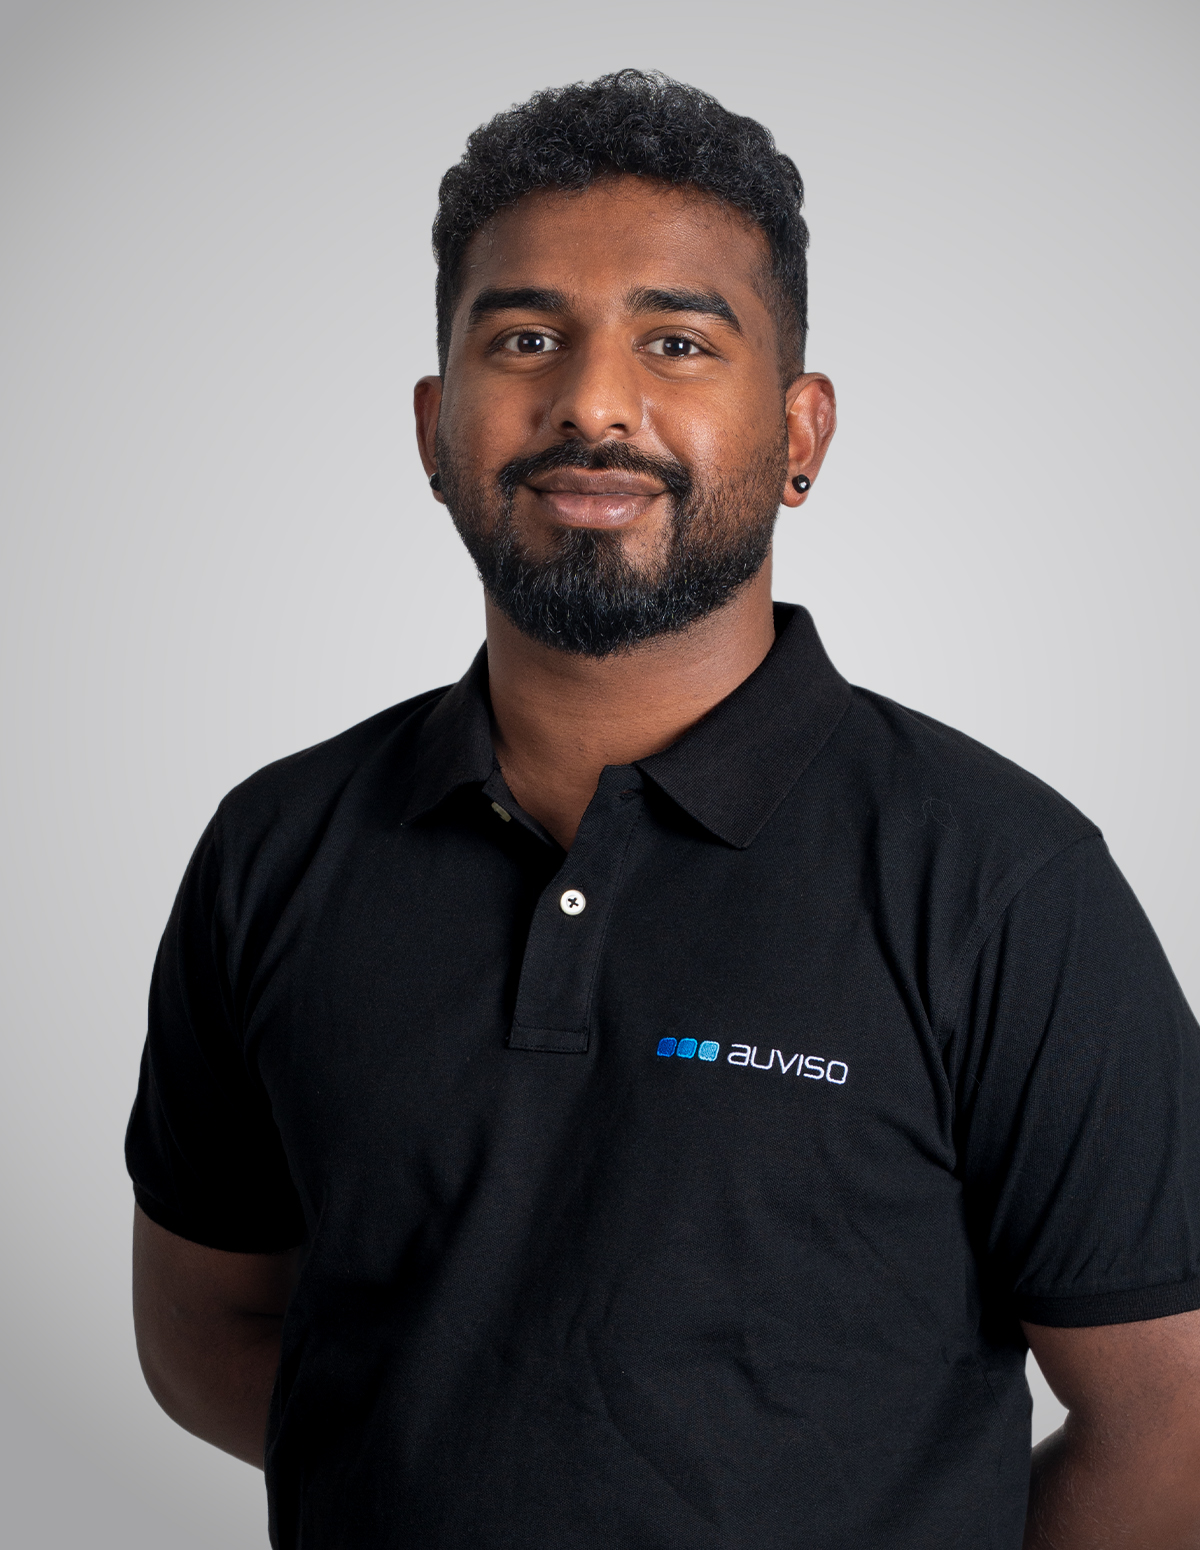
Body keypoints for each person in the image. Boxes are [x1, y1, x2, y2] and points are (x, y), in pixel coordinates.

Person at [126, 70, 1200, 1549]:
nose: (591, 402)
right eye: (525, 337)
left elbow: (1174, 1428)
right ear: (435, 426)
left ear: (802, 430)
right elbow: (207, 1330)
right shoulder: (276, 848)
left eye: (678, 341)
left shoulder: (1003, 882)